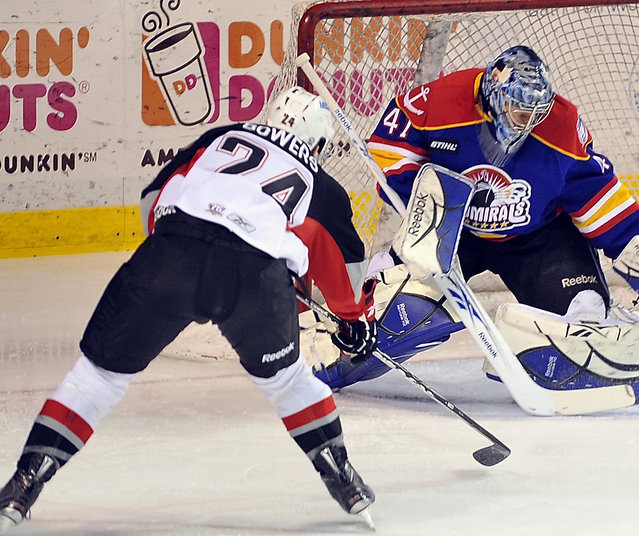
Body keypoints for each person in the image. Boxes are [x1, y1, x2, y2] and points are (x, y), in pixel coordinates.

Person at [0, 86, 379, 533]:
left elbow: (153, 197)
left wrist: (176, 261)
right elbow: (348, 278)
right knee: (289, 382)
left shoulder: (220, 136)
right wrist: (355, 323)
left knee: (97, 378)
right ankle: (344, 481)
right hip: (253, 278)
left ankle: (23, 484)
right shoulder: (323, 186)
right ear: (316, 143)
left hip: (171, 255)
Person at [313, 45, 639, 399]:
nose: (528, 121)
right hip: (452, 229)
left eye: (536, 111)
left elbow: (598, 195)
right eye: (518, 109)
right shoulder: (439, 102)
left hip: (540, 239)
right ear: (493, 96)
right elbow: (388, 151)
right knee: (403, 314)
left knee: (585, 322)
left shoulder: (561, 126)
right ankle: (319, 351)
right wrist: (426, 209)